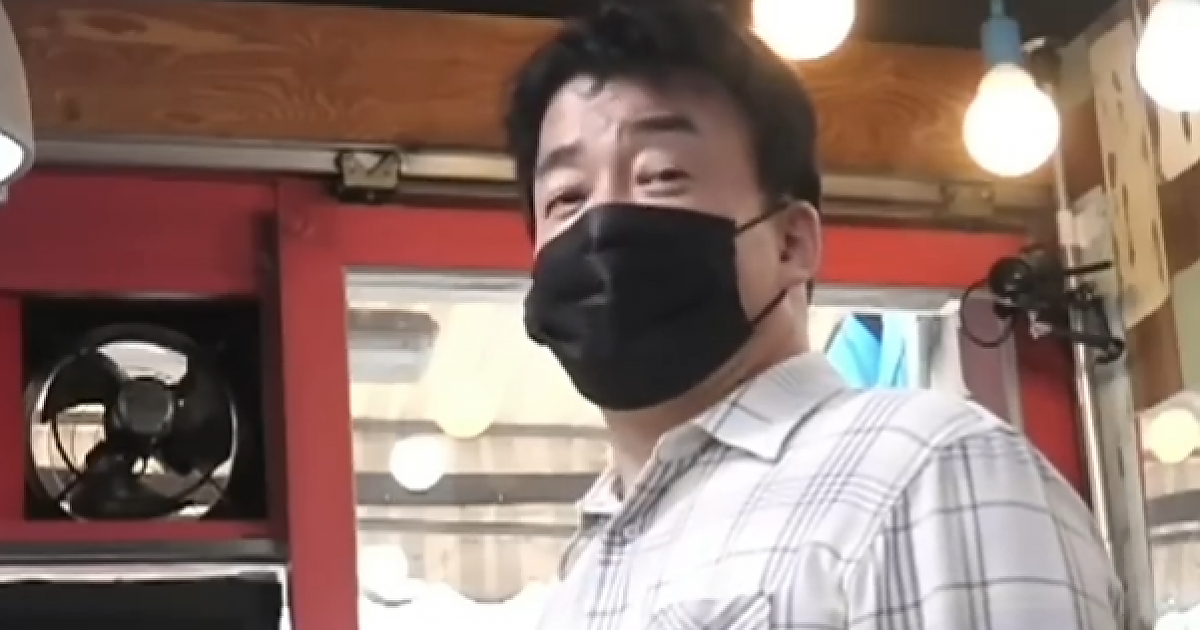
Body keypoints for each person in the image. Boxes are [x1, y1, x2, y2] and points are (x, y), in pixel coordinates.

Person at [505, 0, 1124, 628]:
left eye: (661, 175)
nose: (602, 221)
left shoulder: (927, 471)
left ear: (791, 242)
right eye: (566, 196)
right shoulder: (582, 573)